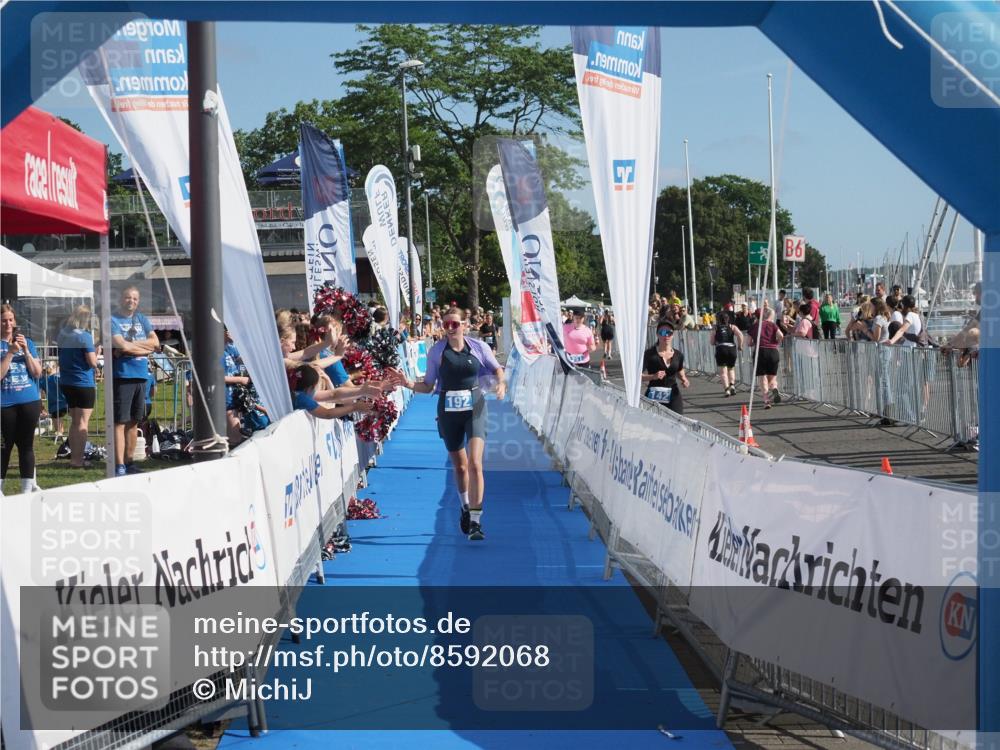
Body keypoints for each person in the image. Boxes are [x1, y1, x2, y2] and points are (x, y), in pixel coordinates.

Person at [394, 307, 506, 542]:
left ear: (463, 324)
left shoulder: (478, 347)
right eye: (446, 325)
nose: (450, 329)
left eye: (454, 324)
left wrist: (501, 384)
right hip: (448, 410)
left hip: (475, 407)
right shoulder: (437, 352)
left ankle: (476, 520)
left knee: (475, 463)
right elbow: (428, 385)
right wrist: (407, 384)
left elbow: (497, 368)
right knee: (461, 467)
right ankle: (465, 507)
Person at [110, 287, 160, 477]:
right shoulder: (112, 320)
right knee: (120, 422)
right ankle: (119, 465)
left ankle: (129, 462)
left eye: (134, 298)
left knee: (133, 422)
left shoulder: (141, 319)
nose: (131, 301)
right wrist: (143, 348)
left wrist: (133, 348)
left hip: (141, 376)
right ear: (121, 299)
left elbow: (155, 343)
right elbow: (120, 344)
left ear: (138, 301)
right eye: (127, 297)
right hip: (123, 376)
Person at [1, 304, 43, 492]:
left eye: (10, 320)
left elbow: (37, 372)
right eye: (3, 320)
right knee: (4, 447)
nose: (8, 324)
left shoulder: (28, 343)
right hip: (4, 404)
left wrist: (25, 351)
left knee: (26, 446)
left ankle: (27, 489)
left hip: (29, 401)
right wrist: (10, 352)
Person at [57, 305, 98, 468]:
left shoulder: (63, 334)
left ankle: (75, 457)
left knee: (75, 422)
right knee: (82, 423)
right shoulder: (85, 337)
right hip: (82, 383)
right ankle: (77, 460)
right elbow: (93, 362)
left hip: (67, 382)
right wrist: (97, 351)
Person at [290, 364, 378, 419]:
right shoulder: (303, 399)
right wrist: (354, 407)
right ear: (309, 388)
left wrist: (361, 391)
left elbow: (333, 394)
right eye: (316, 387)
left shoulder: (287, 375)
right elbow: (327, 414)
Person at [642, 321, 689, 414]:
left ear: (673, 335)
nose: (666, 336)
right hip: (654, 394)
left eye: (669, 333)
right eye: (663, 333)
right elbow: (638, 376)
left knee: (677, 422)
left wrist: (684, 380)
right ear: (657, 334)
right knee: (653, 425)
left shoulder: (678, 355)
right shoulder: (649, 354)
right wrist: (652, 376)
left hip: (673, 393)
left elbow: (679, 369)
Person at [752, 307, 784, 409]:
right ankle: (774, 388)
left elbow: (748, 342)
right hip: (773, 351)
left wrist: (754, 342)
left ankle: (766, 400)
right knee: (772, 376)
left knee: (762, 377)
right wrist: (776, 342)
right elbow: (781, 335)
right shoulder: (773, 325)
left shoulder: (756, 325)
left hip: (761, 351)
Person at [710, 310, 744, 397]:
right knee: (731, 369)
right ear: (727, 319)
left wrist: (715, 341)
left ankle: (727, 390)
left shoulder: (716, 328)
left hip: (721, 348)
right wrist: (740, 345)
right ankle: (732, 385)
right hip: (731, 349)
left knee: (723, 372)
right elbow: (740, 335)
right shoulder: (732, 326)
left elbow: (712, 342)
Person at [40, 363, 68, 440]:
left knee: (59, 428)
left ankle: (59, 434)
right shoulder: (58, 377)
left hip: (54, 406)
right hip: (65, 402)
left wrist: (42, 407)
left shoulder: (42, 380)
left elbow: (40, 393)